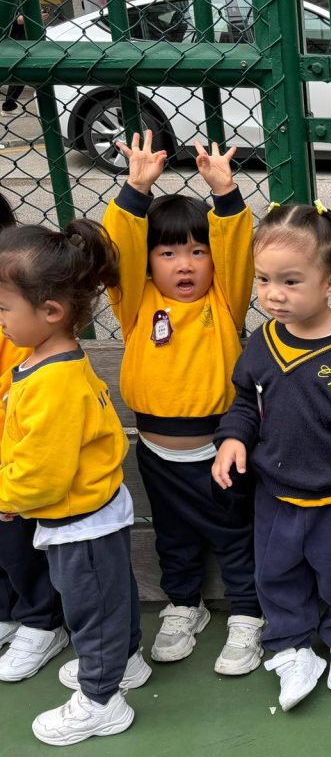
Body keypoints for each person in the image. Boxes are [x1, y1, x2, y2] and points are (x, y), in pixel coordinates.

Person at [212, 203, 331, 711]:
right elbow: (245, 402)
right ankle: (292, 648)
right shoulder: (262, 342)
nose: (274, 294)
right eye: (263, 279)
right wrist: (233, 438)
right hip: (274, 498)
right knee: (276, 577)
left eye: (291, 281)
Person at [103, 130, 263, 675]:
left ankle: (247, 613)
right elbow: (118, 252)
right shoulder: (134, 302)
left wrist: (225, 194)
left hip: (221, 452)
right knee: (173, 538)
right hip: (156, 455)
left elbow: (237, 251)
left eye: (198, 251)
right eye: (168, 253)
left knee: (235, 536)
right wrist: (135, 191)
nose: (185, 264)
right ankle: (183, 604)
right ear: (149, 262)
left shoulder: (225, 300)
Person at [0, 219, 142, 746]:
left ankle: (102, 701)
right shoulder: (46, 357)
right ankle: (127, 661)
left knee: (92, 610)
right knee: (110, 597)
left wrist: (8, 496)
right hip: (90, 508)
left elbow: (43, 474)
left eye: (3, 308)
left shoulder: (53, 382)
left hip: (80, 521)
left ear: (51, 312)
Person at [0, 193, 67, 684]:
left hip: (17, 460)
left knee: (20, 544)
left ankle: (42, 621)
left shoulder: (23, 325)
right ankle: (7, 611)